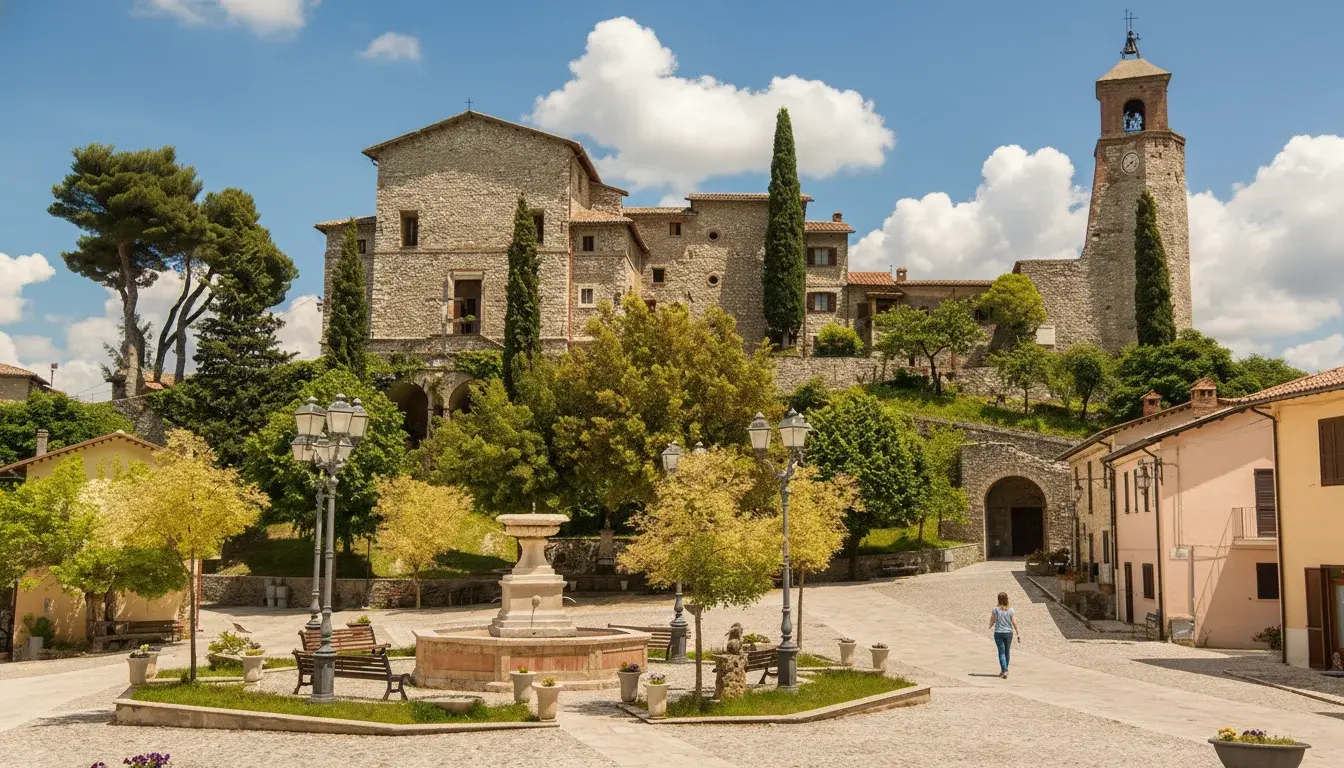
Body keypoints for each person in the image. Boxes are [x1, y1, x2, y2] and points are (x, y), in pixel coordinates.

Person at [990, 592, 1020, 678]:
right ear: (1007, 599)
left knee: (1001, 652)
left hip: (998, 633)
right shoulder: (1010, 610)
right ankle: (1004, 670)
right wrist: (1018, 633)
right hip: (1008, 633)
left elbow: (992, 620)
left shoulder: (995, 610)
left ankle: (1004, 670)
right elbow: (1014, 622)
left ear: (998, 599)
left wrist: (990, 625)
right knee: (1007, 652)